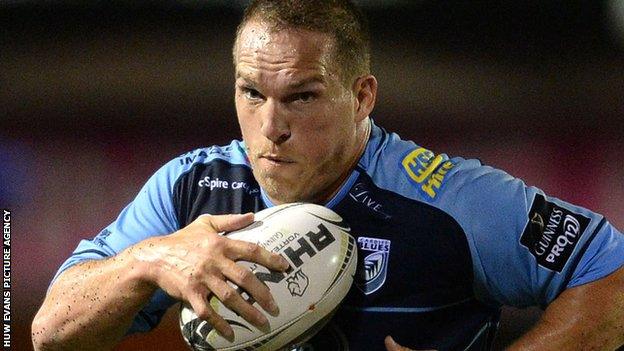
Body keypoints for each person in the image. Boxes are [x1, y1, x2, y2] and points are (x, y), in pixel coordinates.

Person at [32, 1, 624, 350]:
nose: (270, 126)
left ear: (362, 96)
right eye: (251, 93)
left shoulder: (451, 202)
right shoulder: (189, 191)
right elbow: (49, 332)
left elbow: (614, 279)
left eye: (302, 97)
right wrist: (150, 259)